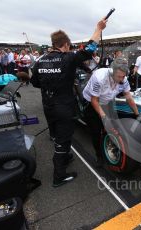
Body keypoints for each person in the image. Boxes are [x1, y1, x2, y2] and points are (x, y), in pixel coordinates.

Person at [30, 17, 107, 187]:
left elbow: (35, 83)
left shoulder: (40, 60)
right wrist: (99, 28)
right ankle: (59, 176)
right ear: (65, 44)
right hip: (64, 107)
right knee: (63, 141)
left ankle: (65, 156)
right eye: (69, 46)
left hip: (48, 106)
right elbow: (89, 50)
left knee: (58, 136)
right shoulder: (67, 58)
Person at [82, 58, 139, 166]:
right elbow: (94, 100)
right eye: (119, 76)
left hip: (107, 100)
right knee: (95, 131)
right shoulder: (99, 77)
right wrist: (103, 117)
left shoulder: (123, 79)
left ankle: (111, 142)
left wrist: (137, 114)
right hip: (91, 102)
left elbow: (129, 98)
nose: (121, 79)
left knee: (113, 123)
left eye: (123, 76)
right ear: (112, 71)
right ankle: (99, 155)